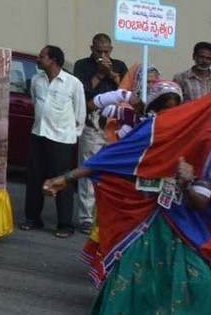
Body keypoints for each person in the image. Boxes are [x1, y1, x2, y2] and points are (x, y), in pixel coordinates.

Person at [41, 93, 211, 313]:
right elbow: (117, 157)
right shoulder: (168, 128)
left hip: (190, 233)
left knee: (197, 287)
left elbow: (201, 201)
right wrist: (66, 178)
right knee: (131, 292)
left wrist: (187, 185)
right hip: (150, 225)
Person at [21, 45, 86, 237]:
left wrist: (73, 135)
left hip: (61, 139)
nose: (38, 59)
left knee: (62, 182)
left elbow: (80, 113)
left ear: (53, 60)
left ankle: (64, 225)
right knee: (34, 179)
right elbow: (36, 102)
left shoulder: (72, 83)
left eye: (42, 57)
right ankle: (33, 218)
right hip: (38, 135)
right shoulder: (36, 80)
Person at [72, 34, 129, 233]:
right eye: (99, 51)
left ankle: (105, 215)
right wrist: (100, 75)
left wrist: (112, 74)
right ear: (92, 48)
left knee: (112, 173)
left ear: (111, 50)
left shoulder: (120, 65)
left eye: (106, 51)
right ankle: (86, 217)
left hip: (114, 124)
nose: (103, 54)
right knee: (88, 169)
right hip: (92, 122)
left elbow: (126, 92)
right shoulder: (82, 66)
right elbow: (80, 93)